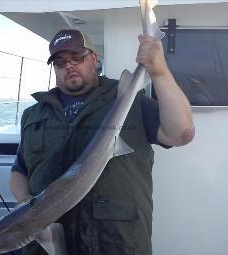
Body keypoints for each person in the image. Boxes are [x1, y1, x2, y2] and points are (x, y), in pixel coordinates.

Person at [10, 29, 195, 255]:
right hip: (46, 244)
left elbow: (181, 134)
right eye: (60, 62)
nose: (69, 65)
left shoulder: (129, 101)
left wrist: (159, 71)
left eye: (77, 57)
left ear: (94, 59)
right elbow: (19, 170)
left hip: (114, 243)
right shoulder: (33, 115)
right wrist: (26, 204)